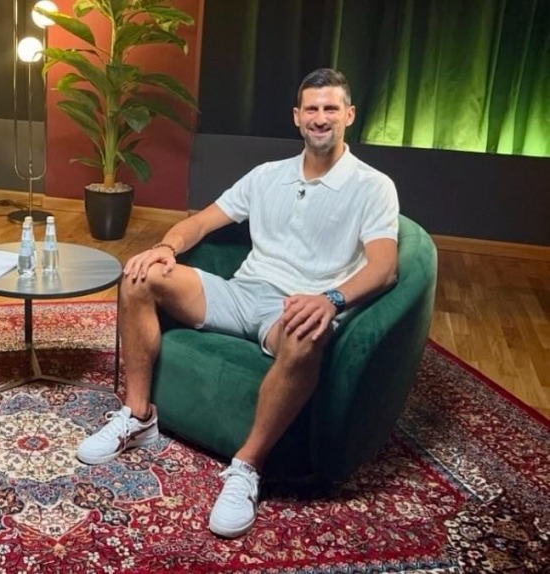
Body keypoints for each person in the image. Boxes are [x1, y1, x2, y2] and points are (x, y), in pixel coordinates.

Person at [75, 68, 399, 538]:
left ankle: (247, 466)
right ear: (297, 116)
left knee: (307, 334)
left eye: (331, 108)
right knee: (140, 277)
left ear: (349, 115)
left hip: (294, 308)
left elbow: (385, 267)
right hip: (241, 292)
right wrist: (166, 247)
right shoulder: (268, 175)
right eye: (311, 108)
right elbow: (200, 222)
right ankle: (139, 416)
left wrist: (331, 298)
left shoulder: (373, 186)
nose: (320, 118)